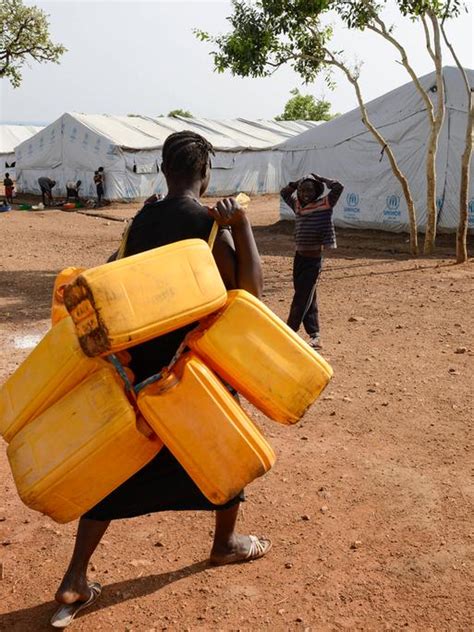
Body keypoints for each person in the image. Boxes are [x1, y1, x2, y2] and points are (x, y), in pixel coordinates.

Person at [52, 131, 269, 627]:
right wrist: (242, 226)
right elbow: (251, 293)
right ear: (206, 172)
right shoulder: (208, 226)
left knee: (119, 469)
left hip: (140, 372)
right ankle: (225, 543)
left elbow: (112, 276)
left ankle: (74, 578)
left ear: (164, 172)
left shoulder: (141, 219)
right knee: (226, 451)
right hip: (194, 369)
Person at [281, 173, 343, 350]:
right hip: (299, 258)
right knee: (308, 296)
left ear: (317, 191)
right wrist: (295, 183)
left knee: (301, 297)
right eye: (301, 190)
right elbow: (285, 193)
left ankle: (289, 331)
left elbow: (338, 187)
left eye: (309, 190)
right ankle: (315, 336)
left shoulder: (325, 203)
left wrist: (323, 179)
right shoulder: (298, 206)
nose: (304, 193)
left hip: (313, 260)